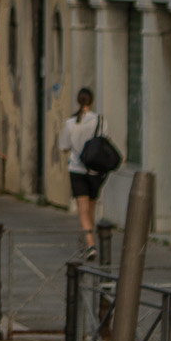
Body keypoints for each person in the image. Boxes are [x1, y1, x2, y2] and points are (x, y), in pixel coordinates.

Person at [58, 87, 107, 252]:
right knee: (91, 207)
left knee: (83, 209)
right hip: (95, 171)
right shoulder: (99, 120)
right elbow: (105, 141)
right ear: (92, 101)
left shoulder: (70, 123)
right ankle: (88, 239)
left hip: (77, 169)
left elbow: (64, 146)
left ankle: (90, 243)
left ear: (78, 101)